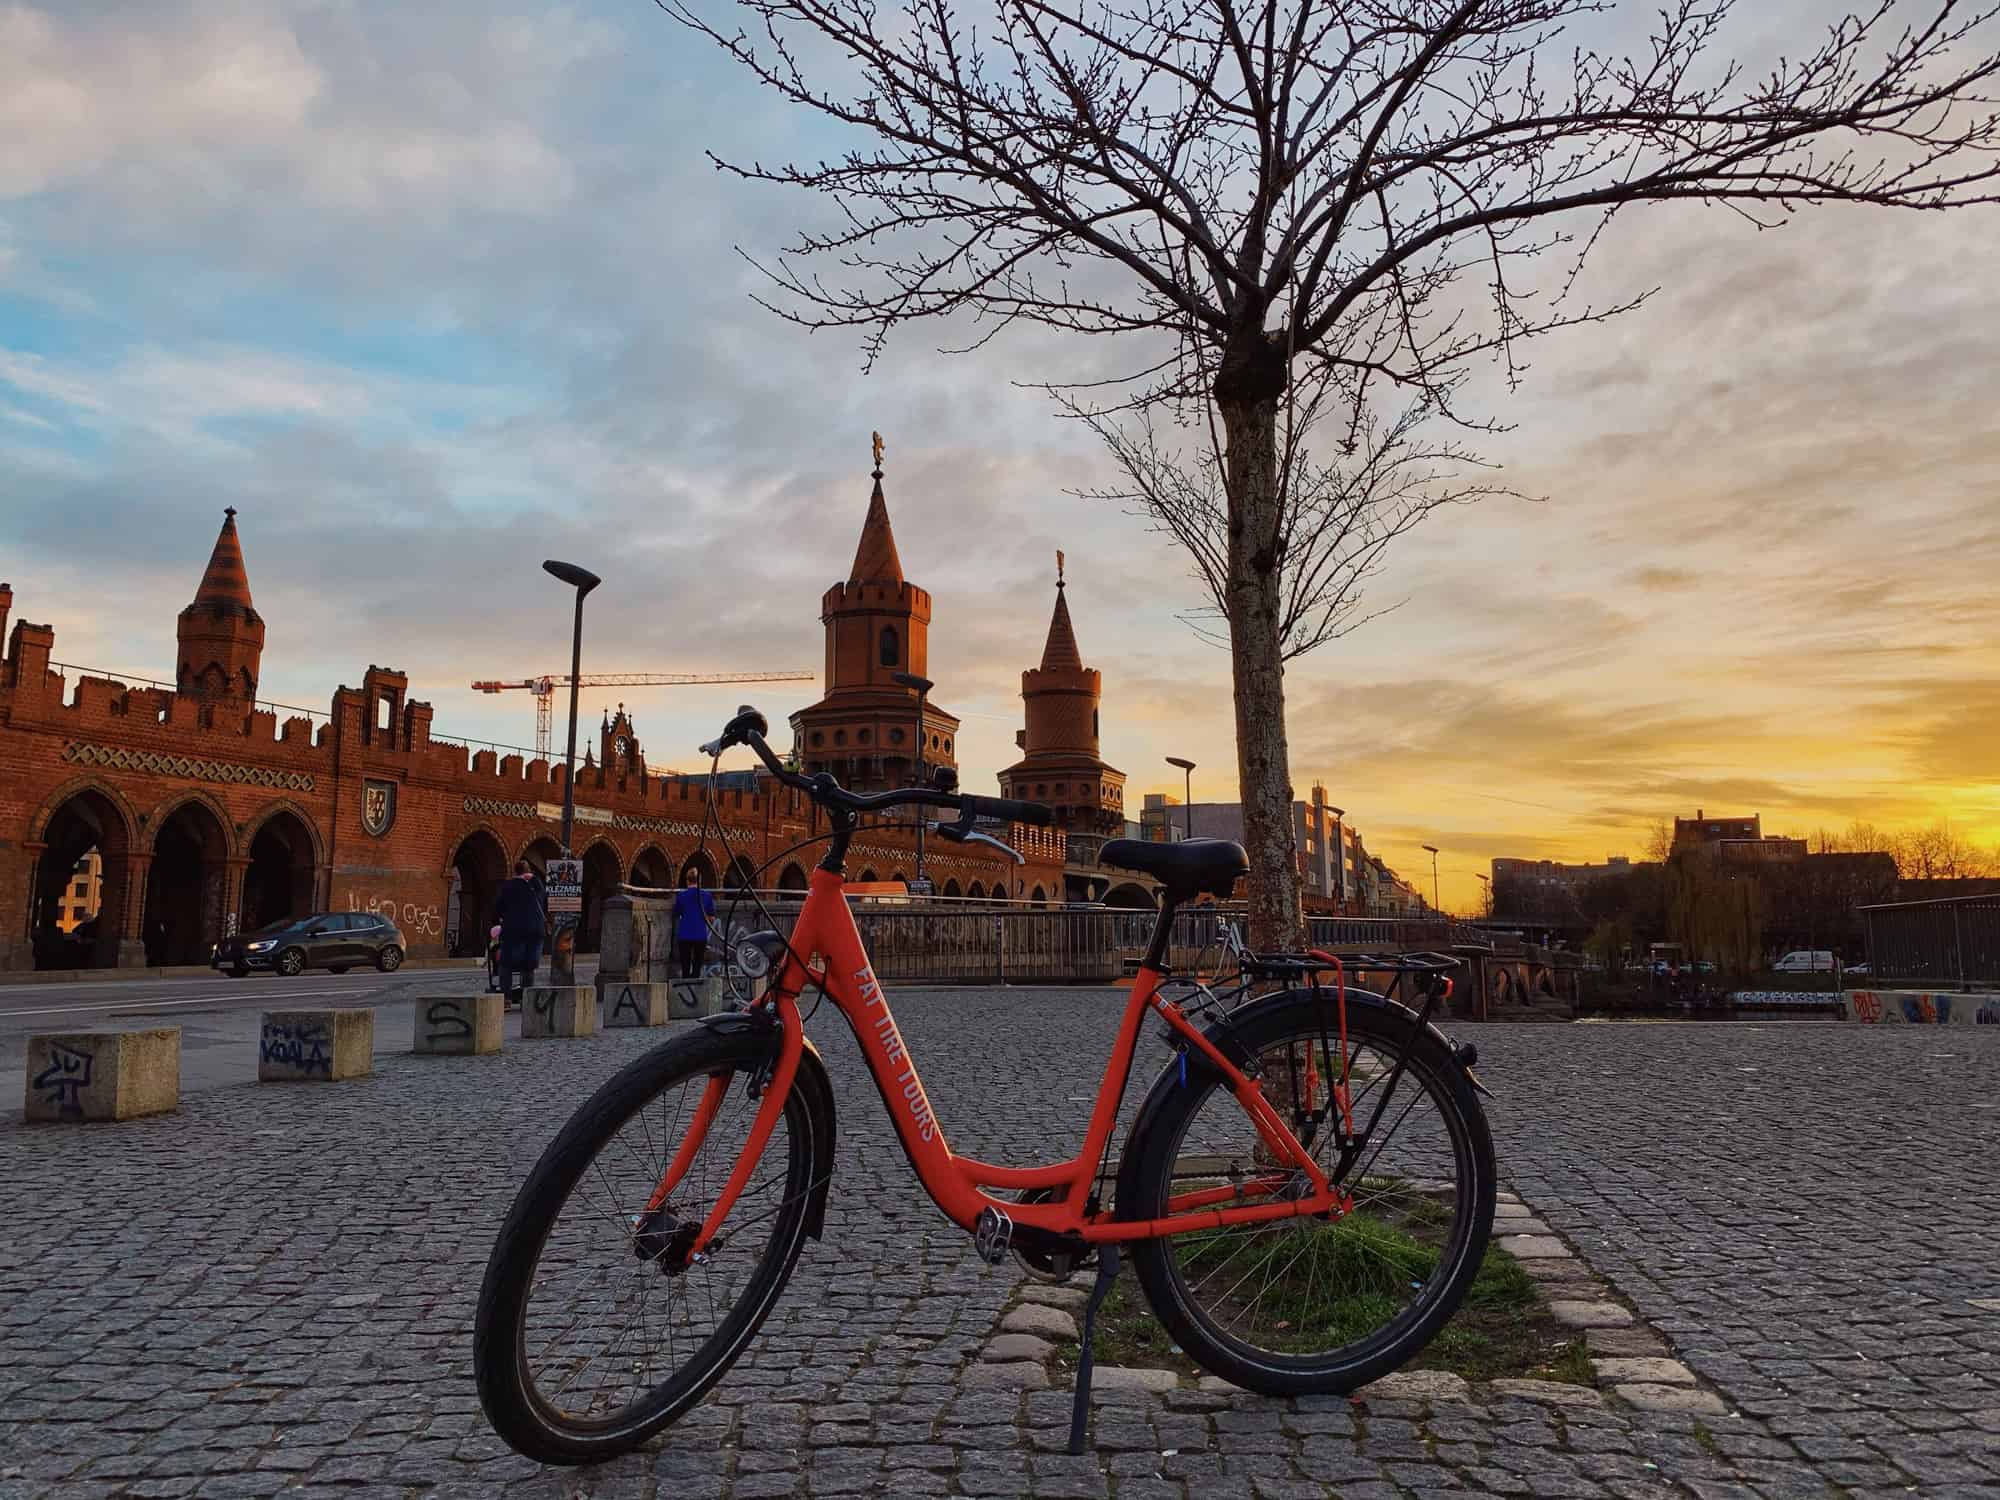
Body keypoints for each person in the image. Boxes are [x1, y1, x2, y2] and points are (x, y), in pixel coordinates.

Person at [492, 860, 547, 1008]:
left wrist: (501, 921)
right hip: (535, 931)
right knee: (529, 966)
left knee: (506, 964)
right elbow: (545, 903)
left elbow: (497, 909)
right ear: (529, 871)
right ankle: (526, 1000)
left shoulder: (508, 886)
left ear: (515, 872)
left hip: (513, 931)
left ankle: (506, 999)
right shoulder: (537, 886)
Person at [673, 869, 716, 979]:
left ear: (687, 880)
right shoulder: (707, 895)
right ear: (699, 881)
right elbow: (712, 919)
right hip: (700, 935)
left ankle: (685, 989)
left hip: (684, 935)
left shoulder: (681, 896)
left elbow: (676, 913)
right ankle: (695, 989)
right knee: (697, 967)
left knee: (685, 967)